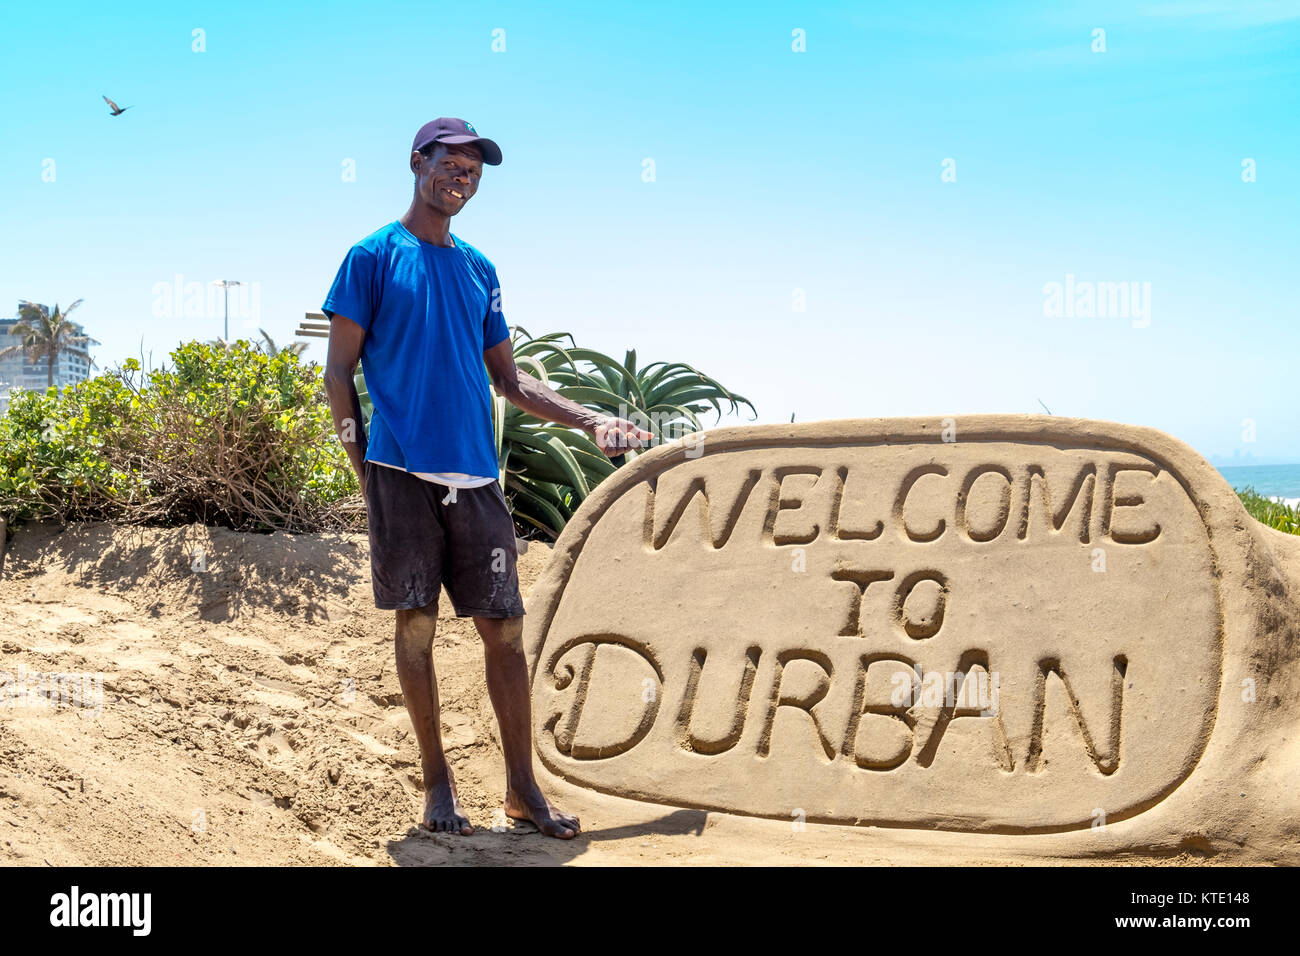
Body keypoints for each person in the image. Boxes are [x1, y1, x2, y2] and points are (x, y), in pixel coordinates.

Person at [321, 117, 651, 839]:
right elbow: (338, 371)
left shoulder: (479, 269)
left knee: (504, 631)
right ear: (418, 161)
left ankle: (522, 791)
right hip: (399, 473)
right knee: (417, 629)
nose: (461, 178)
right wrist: (363, 466)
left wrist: (591, 422)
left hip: (475, 479)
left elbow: (509, 378)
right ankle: (438, 788)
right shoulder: (373, 256)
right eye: (451, 164)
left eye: (473, 170)